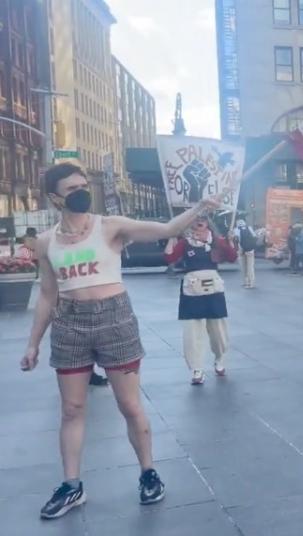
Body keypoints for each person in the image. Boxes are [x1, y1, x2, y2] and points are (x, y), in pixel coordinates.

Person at [20, 163, 220, 519]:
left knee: (129, 406)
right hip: (70, 325)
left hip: (115, 320)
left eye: (84, 185)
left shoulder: (110, 227)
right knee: (71, 409)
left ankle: (148, 473)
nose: (82, 191)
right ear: (55, 198)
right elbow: (48, 296)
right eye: (72, 188)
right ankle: (71, 486)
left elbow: (169, 229)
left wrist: (201, 207)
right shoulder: (47, 242)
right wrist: (34, 343)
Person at [164, 217, 238, 384]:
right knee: (192, 332)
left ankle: (220, 359)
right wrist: (171, 237)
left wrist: (230, 241)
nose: (199, 222)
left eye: (203, 219)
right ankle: (197, 369)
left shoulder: (217, 241)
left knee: (219, 330)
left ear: (208, 223)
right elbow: (169, 258)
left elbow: (232, 257)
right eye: (196, 219)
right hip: (192, 290)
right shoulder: (185, 242)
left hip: (214, 289)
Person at [235, 219, 257, 289]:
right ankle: (251, 283)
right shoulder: (249, 228)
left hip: (241, 250)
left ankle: (246, 282)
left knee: (244, 267)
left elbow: (236, 240)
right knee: (250, 267)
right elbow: (255, 237)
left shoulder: (236, 229)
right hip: (250, 250)